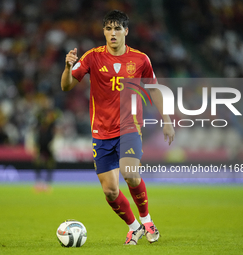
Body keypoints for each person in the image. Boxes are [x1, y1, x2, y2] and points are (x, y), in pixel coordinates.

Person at [61, 10, 175, 245]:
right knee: (110, 191)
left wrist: (167, 120)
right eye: (108, 28)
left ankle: (147, 221)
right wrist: (67, 67)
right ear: (103, 31)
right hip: (100, 132)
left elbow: (155, 89)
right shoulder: (92, 57)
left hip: (129, 127)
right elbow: (66, 86)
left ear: (126, 31)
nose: (112, 33)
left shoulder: (141, 59)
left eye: (117, 28)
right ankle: (134, 227)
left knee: (130, 174)